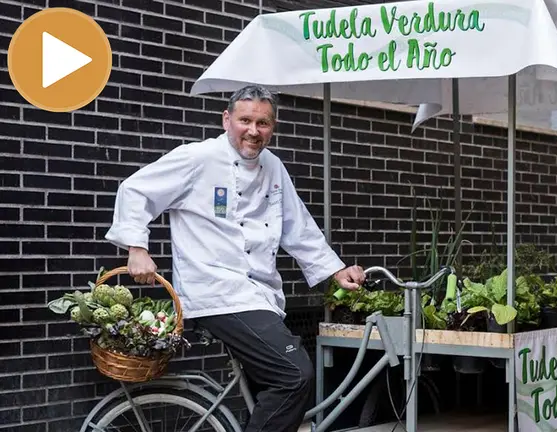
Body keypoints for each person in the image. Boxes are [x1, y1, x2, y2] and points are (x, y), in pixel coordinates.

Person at [104, 84, 366, 432]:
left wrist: (334, 270)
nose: (254, 131)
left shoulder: (273, 166)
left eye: (263, 123)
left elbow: (297, 224)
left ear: (273, 126)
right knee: (295, 376)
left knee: (271, 394)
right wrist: (137, 248)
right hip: (215, 292)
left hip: (257, 295)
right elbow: (136, 190)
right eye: (245, 120)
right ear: (227, 119)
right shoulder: (197, 158)